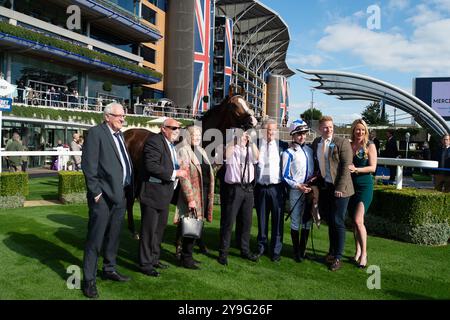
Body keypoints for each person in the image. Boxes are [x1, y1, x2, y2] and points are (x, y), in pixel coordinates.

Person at [81, 102, 133, 299]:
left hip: (120, 196)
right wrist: (96, 193)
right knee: (95, 239)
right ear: (107, 117)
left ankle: (109, 269)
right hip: (102, 198)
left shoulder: (119, 136)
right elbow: (89, 166)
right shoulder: (96, 133)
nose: (122, 119)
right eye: (119, 116)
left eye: (123, 116)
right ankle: (89, 280)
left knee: (113, 236)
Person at [139, 118, 188, 277]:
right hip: (153, 193)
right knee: (149, 231)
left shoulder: (170, 144)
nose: (176, 131)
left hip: (164, 193)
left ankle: (154, 259)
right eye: (173, 128)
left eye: (178, 128)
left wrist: (177, 165)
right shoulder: (154, 142)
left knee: (159, 230)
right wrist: (176, 173)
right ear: (163, 128)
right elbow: (151, 166)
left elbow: (165, 164)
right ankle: (145, 264)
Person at [312, 116, 354, 271]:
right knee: (330, 220)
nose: (328, 129)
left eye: (330, 127)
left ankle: (338, 257)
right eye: (325, 127)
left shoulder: (342, 143)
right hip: (326, 188)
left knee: (337, 220)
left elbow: (345, 167)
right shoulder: (317, 142)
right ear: (319, 129)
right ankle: (331, 252)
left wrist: (339, 188)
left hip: (341, 189)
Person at [173, 125, 214, 269]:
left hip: (202, 194)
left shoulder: (201, 150)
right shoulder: (184, 151)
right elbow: (183, 177)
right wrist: (190, 198)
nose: (196, 137)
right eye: (193, 135)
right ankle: (185, 258)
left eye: (198, 135)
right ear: (188, 136)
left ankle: (188, 255)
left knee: (196, 226)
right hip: (191, 195)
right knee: (189, 226)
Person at [218, 130, 259, 266]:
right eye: (241, 135)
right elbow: (225, 155)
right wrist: (235, 140)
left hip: (248, 188)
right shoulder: (231, 147)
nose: (243, 137)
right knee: (229, 222)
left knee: (246, 222)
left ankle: (244, 250)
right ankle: (223, 253)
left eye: (245, 135)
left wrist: (251, 142)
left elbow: (257, 157)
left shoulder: (250, 149)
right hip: (234, 188)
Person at [282, 119, 316, 262]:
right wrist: (298, 186)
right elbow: (284, 175)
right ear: (293, 135)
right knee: (295, 221)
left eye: (304, 133)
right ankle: (296, 252)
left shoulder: (309, 150)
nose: (302, 136)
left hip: (309, 190)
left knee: (307, 221)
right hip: (296, 190)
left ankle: (303, 251)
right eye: (299, 134)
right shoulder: (288, 152)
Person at [255, 119, 288, 262]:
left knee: (277, 221)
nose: (272, 133)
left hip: (277, 189)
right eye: (269, 130)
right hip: (261, 188)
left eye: (274, 130)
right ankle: (261, 247)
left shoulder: (283, 146)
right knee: (262, 220)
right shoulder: (256, 144)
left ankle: (275, 251)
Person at [347, 119, 377, 269]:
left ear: (366, 131)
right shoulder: (349, 144)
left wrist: (357, 169)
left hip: (364, 187)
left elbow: (373, 168)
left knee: (359, 220)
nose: (360, 132)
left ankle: (364, 253)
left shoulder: (370, 146)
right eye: (357, 129)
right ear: (353, 130)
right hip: (350, 187)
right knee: (354, 222)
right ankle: (357, 250)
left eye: (362, 130)